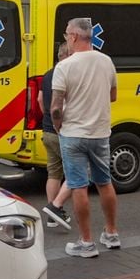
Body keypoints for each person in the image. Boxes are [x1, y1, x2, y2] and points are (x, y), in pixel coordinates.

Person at [51, 17, 120, 258]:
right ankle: (111, 233)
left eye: (66, 35)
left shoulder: (65, 66)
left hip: (73, 133)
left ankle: (86, 242)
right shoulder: (106, 61)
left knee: (78, 186)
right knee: (104, 182)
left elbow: (56, 107)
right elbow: (113, 96)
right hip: (100, 132)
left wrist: (59, 127)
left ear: (73, 37)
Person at [40, 42, 73, 230]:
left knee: (53, 173)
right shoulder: (66, 74)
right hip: (61, 130)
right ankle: (56, 207)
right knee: (78, 171)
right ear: (67, 55)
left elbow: (39, 99)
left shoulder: (47, 74)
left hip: (46, 130)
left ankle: (52, 214)